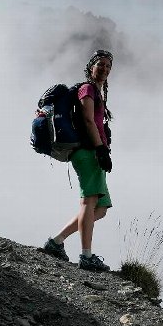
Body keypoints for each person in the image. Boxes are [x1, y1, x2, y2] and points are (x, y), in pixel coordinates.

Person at [40, 49, 115, 272]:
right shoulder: (87, 89)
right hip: (88, 151)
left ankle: (57, 241)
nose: (104, 69)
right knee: (89, 202)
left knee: (99, 209)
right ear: (91, 66)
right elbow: (88, 121)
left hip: (94, 151)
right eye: (100, 64)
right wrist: (101, 150)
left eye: (108, 67)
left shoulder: (98, 91)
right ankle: (86, 256)